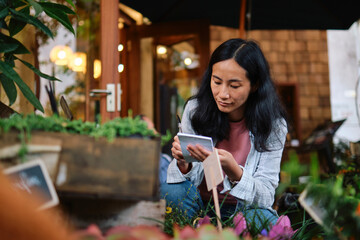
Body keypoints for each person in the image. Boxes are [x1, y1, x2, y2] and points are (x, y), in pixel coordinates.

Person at [160, 38, 288, 227]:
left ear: (255, 85)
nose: (222, 94)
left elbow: (266, 196)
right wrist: (183, 163)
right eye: (217, 81)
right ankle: (196, 228)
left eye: (234, 86)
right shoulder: (196, 110)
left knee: (264, 220)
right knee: (171, 192)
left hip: (244, 211)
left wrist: (234, 171)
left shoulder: (273, 125)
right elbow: (179, 182)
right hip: (198, 205)